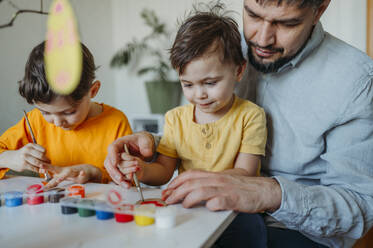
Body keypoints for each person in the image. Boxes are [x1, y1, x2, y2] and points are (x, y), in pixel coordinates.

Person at [105, 0, 373, 247]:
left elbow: (361, 206)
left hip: (296, 230)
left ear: (320, 9)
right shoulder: (224, 50)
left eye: (287, 23)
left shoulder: (354, 79)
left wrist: (271, 193)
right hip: (205, 214)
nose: (263, 38)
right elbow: (195, 138)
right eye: (253, 14)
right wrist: (148, 149)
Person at [116, 6, 267, 189]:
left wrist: (202, 181)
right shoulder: (175, 119)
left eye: (210, 83)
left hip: (236, 208)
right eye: (188, 84)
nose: (199, 94)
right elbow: (164, 170)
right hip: (190, 207)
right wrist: (142, 171)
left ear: (239, 71)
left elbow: (246, 173)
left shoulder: (251, 116)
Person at [0, 41, 132, 188]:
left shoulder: (116, 122)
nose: (56, 122)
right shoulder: (34, 120)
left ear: (93, 91)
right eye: (45, 112)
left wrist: (96, 174)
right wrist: (7, 158)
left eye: (69, 112)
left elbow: (129, 180)